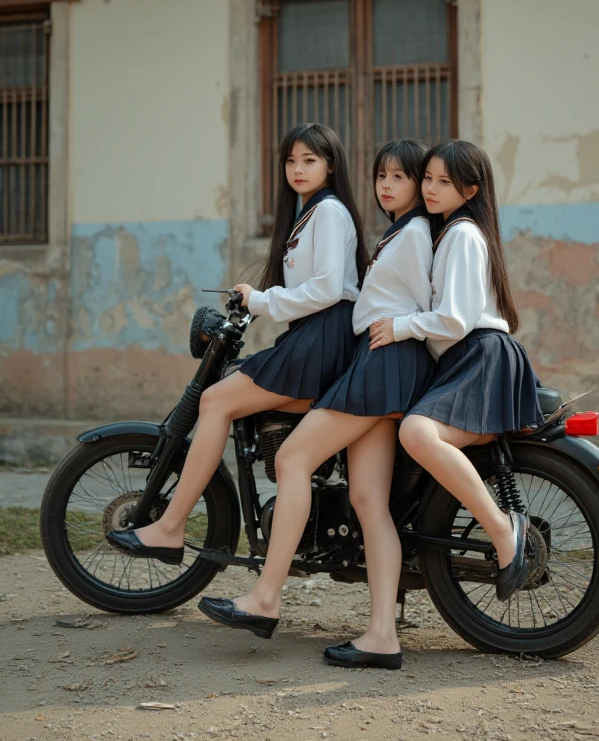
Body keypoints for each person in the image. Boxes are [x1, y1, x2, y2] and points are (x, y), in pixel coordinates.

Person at [198, 140, 434, 669]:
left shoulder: (414, 235)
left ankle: (265, 599)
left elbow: (433, 308)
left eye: (400, 176)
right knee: (370, 503)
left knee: (293, 460)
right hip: (379, 364)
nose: (386, 185)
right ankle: (381, 637)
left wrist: (411, 347)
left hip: (382, 367)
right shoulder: (401, 231)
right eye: (381, 175)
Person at [106, 123, 367, 564]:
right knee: (228, 403)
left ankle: (171, 528)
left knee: (215, 402)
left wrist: (261, 299)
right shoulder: (310, 213)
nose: (298, 169)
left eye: (310, 160)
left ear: (330, 165)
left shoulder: (329, 211)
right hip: (313, 335)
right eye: (291, 160)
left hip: (324, 336)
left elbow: (325, 290)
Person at [386, 139, 543, 603]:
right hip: (466, 356)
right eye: (428, 179)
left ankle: (502, 531)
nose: (431, 189)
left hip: (479, 354)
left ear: (471, 189)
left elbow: (455, 317)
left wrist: (398, 326)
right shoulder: (447, 233)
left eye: (444, 182)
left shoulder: (462, 235)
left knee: (416, 433)